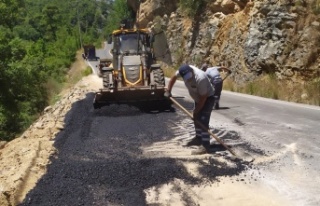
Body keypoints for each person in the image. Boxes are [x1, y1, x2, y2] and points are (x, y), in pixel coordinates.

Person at [165, 64, 215, 155]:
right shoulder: (181, 72)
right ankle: (198, 138)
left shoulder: (201, 77)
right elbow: (173, 78)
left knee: (203, 120)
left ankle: (205, 146)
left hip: (208, 98)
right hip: (198, 98)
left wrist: (196, 110)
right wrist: (168, 90)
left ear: (192, 71)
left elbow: (204, 97)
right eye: (186, 78)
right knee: (196, 118)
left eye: (190, 76)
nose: (189, 79)